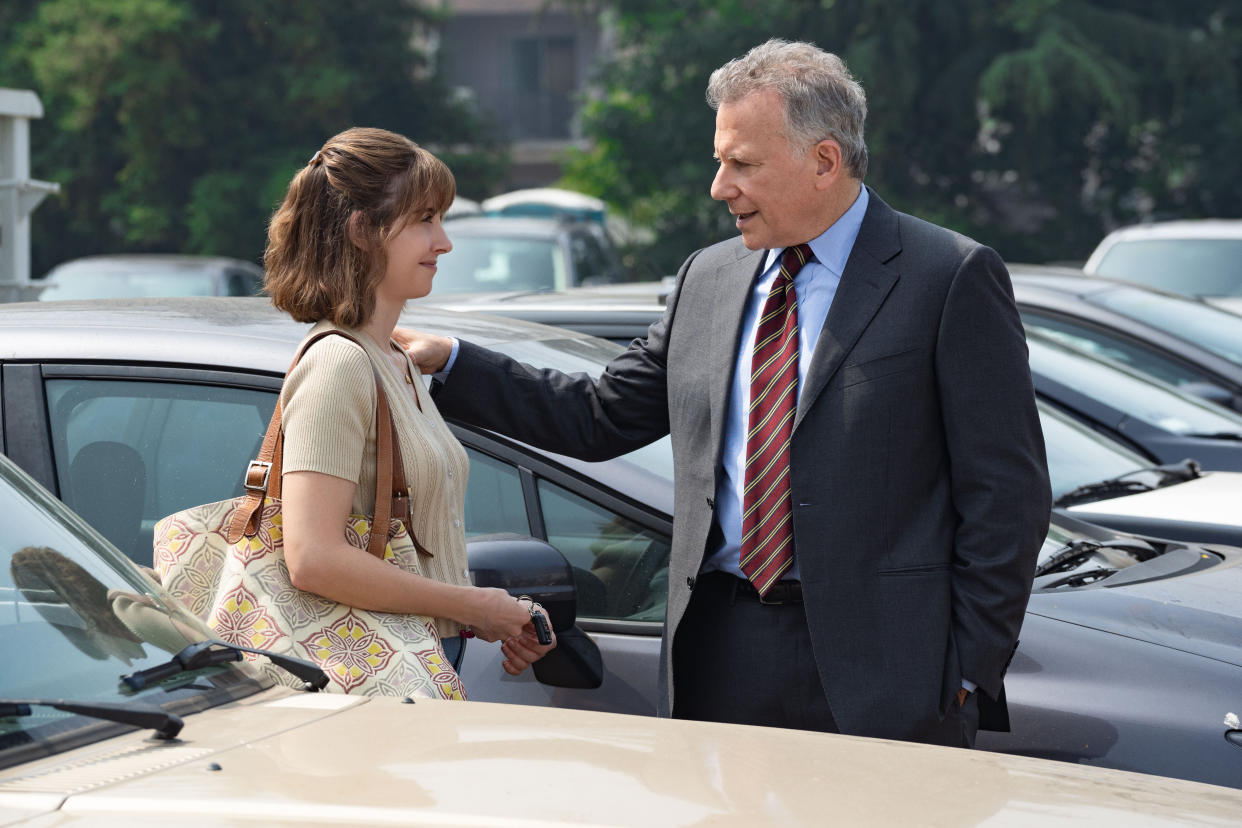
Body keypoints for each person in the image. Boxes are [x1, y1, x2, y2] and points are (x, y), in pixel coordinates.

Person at [399, 41, 1049, 745]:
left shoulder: (947, 277)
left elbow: (1005, 493)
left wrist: (966, 666)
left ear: (824, 162)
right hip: (719, 653)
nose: (719, 187)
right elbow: (600, 416)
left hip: (888, 675)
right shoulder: (708, 278)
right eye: (720, 161)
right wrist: (452, 364)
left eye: (742, 164)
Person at [264, 127, 555, 693]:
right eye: (425, 219)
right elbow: (313, 557)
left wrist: (489, 613)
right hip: (370, 673)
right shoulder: (340, 365)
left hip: (414, 654)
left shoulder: (394, 357)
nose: (443, 242)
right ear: (362, 232)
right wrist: (473, 605)